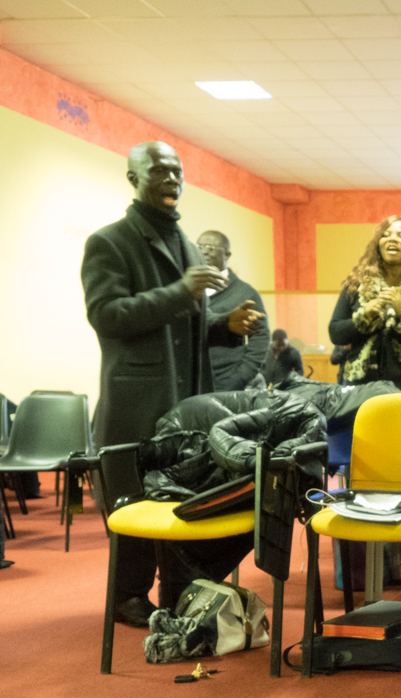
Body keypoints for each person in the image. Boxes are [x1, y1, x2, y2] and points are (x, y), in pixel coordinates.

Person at [82, 141, 264, 626]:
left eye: (178, 170)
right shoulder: (110, 242)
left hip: (183, 402)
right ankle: (126, 597)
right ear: (133, 178)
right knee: (136, 500)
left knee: (181, 498)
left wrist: (224, 328)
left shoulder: (181, 241)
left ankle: (181, 588)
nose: (172, 177)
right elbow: (107, 315)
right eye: (159, 169)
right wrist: (181, 290)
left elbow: (178, 329)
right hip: (136, 402)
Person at [329, 217, 401, 391]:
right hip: (361, 388)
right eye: (386, 235)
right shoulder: (355, 284)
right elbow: (336, 333)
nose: (393, 239)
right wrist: (364, 316)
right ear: (378, 244)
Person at [198, 230, 270, 391]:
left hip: (227, 381)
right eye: (200, 246)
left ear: (227, 255)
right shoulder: (189, 288)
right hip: (190, 380)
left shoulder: (245, 292)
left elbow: (260, 338)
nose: (204, 251)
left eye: (210, 247)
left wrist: (241, 376)